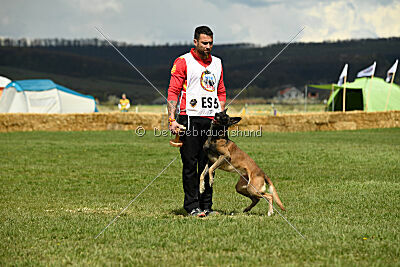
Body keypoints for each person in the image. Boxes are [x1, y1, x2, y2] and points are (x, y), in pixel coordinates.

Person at [167, 26, 226, 217]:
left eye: (210, 43)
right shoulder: (183, 61)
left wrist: (221, 117)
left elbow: (221, 92)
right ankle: (192, 206)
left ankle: (206, 206)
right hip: (189, 118)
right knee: (190, 164)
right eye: (204, 43)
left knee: (209, 164)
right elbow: (173, 92)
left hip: (211, 121)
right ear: (195, 42)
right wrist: (172, 119)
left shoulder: (217, 63)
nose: (208, 46)